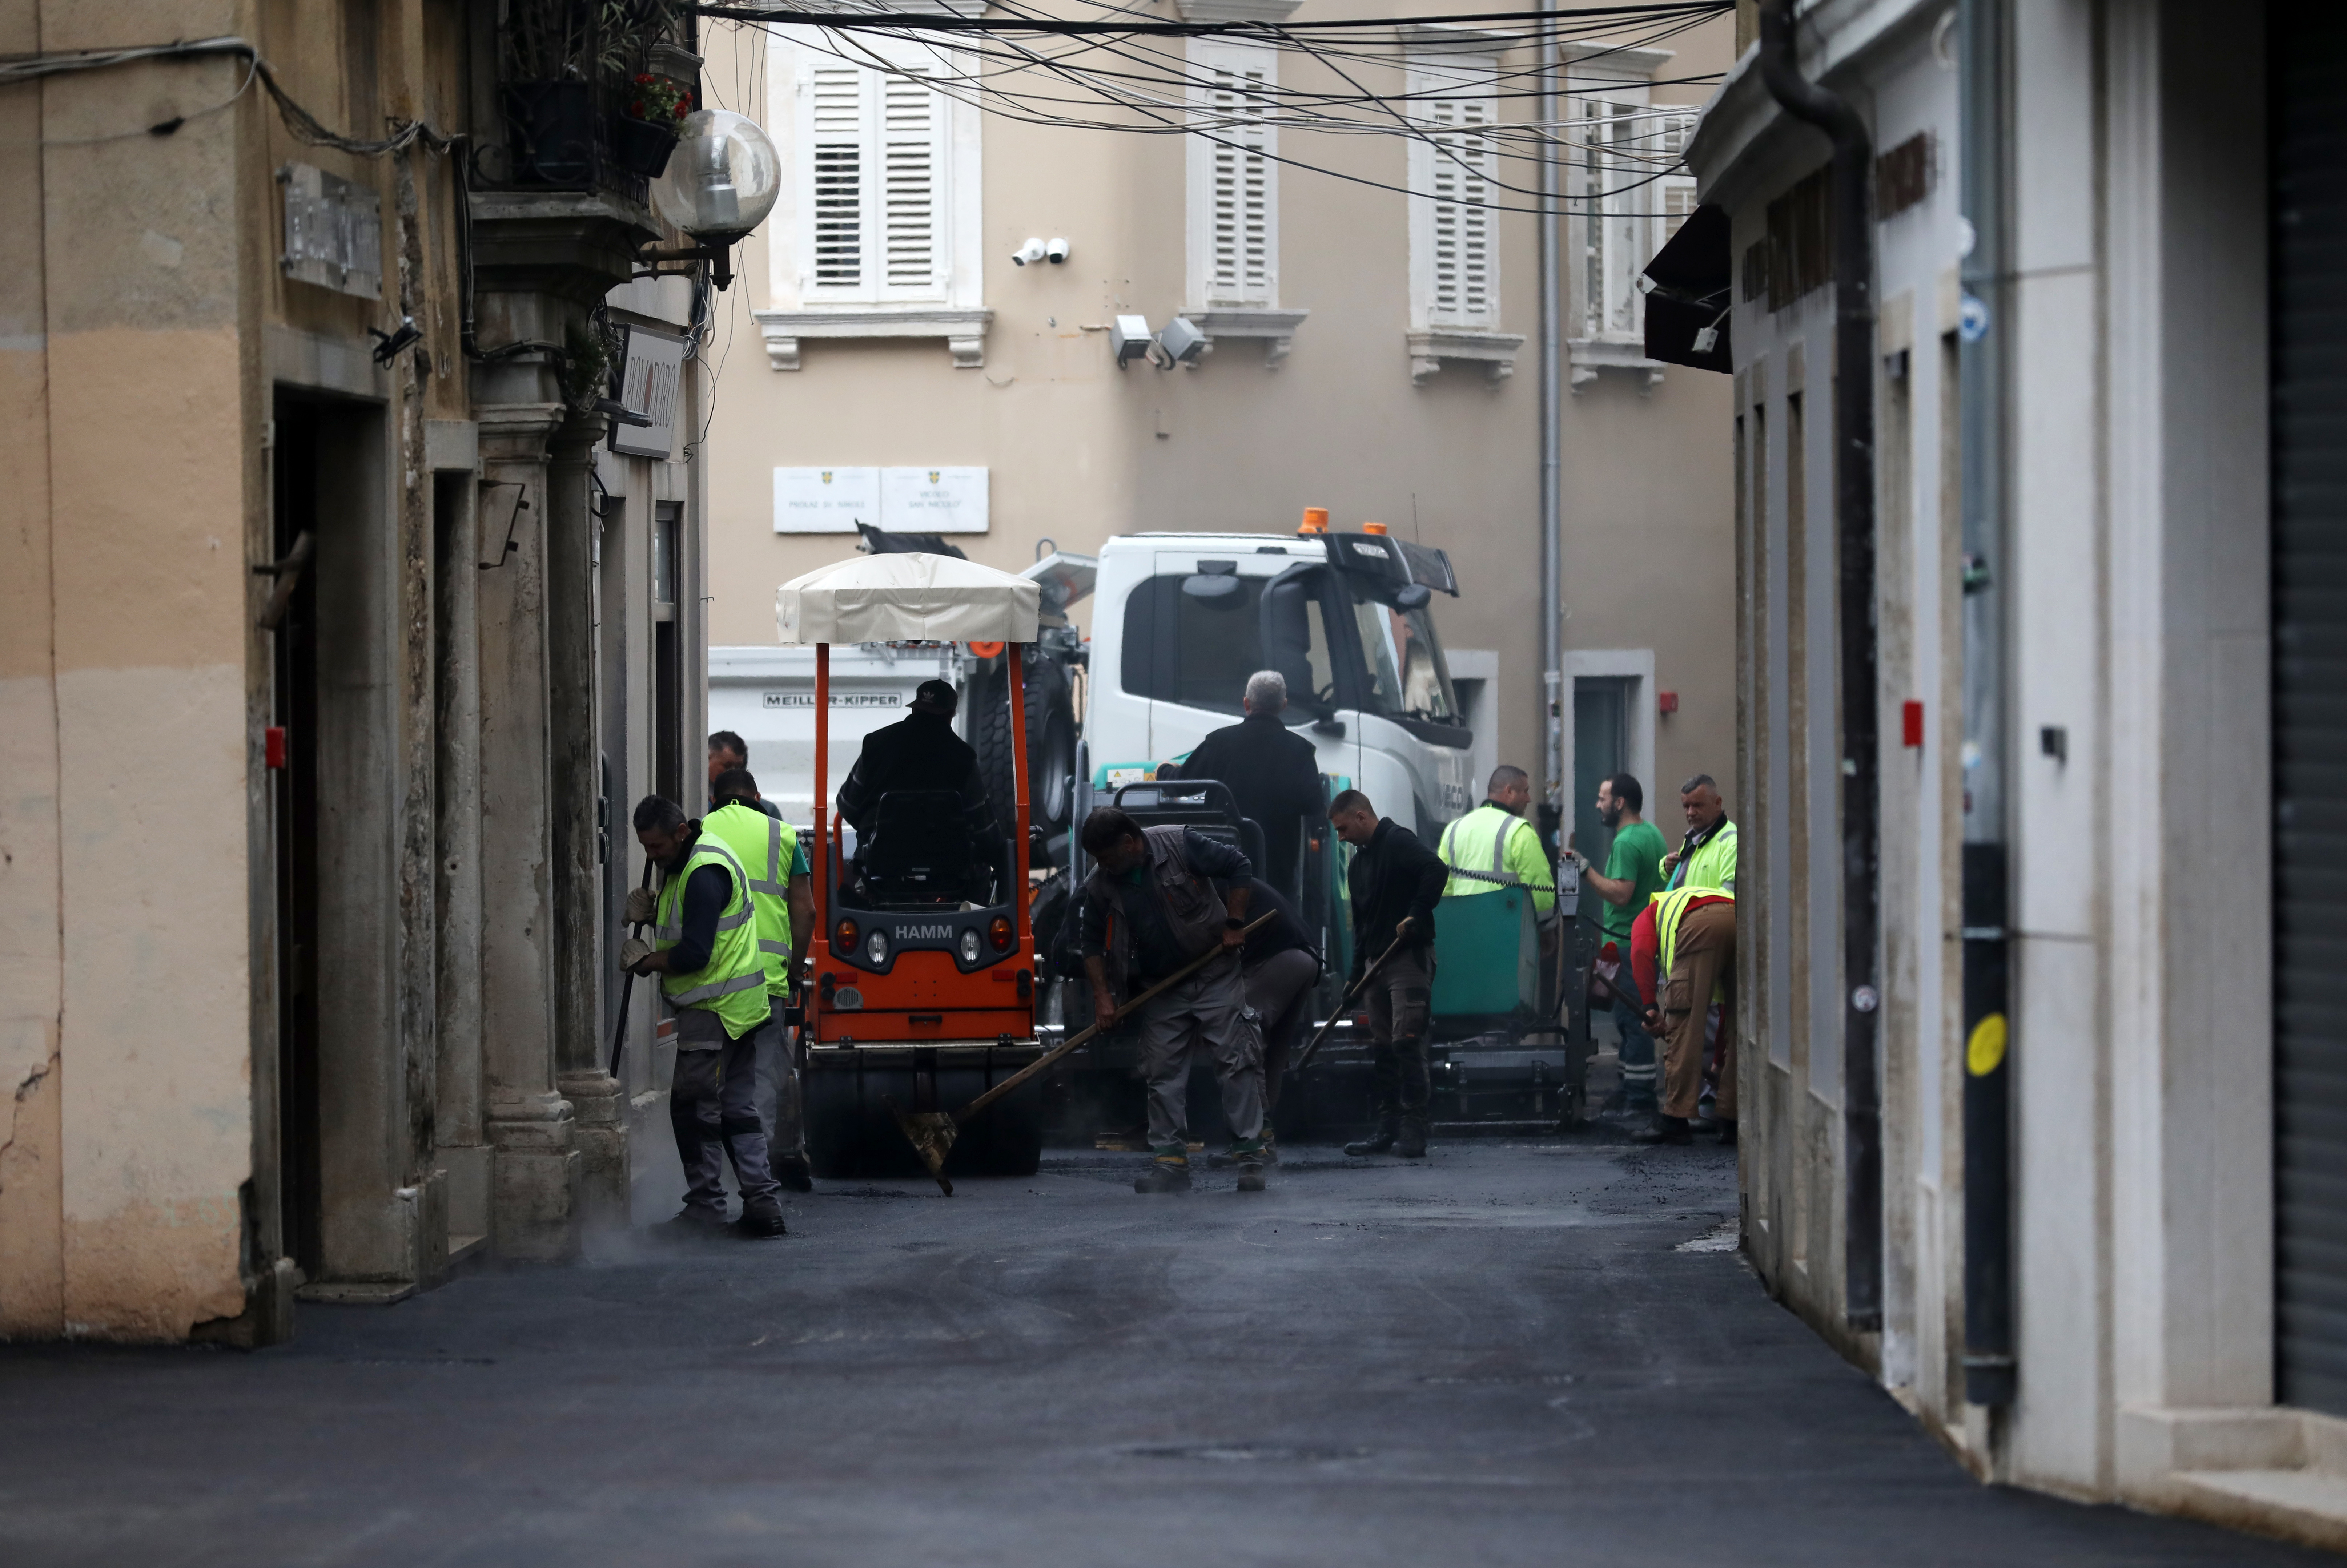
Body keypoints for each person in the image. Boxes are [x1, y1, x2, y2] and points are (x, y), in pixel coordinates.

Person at [1073, 806, 1269, 1193]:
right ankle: (1171, 1165)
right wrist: (1103, 998)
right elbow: (1090, 943)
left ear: (1129, 843)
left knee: (1236, 1062)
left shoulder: (1181, 843)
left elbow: (1239, 866)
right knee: (1161, 1071)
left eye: (1106, 857)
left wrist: (1234, 922)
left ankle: (1249, 1156)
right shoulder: (1100, 884)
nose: (1101, 865)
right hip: (1161, 986)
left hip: (1215, 974)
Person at [619, 796, 787, 1237]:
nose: (651, 855)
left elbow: (695, 952)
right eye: (645, 847)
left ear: (680, 833)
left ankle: (706, 1206)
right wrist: (652, 911)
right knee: (736, 1109)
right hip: (739, 1008)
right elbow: (692, 920)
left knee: (694, 1110)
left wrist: (645, 961)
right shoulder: (694, 859)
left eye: (656, 846)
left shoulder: (703, 871)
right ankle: (763, 1203)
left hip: (713, 1009)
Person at [700, 768, 817, 1191]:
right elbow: (806, 911)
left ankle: (710, 1180)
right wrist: (795, 967)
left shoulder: (698, 833)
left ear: (714, 799)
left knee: (708, 1080)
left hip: (709, 981)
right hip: (765, 980)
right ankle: (752, 1181)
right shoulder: (783, 835)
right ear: (758, 796)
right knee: (760, 1078)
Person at [1330, 790, 1446, 1160]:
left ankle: (1414, 1129)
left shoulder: (1398, 841)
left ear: (1362, 817)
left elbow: (1436, 869)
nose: (1341, 838)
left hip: (1407, 959)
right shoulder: (1357, 866)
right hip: (1374, 965)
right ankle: (1389, 1127)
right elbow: (1362, 927)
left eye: (1343, 829)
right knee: (1383, 1048)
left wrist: (1415, 913)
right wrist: (1354, 977)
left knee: (1407, 1043)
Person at [1168, 670, 1326, 897]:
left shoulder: (1219, 741)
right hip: (1276, 876)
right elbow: (1314, 806)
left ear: (1246, 703)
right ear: (1284, 706)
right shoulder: (1301, 750)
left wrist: (1165, 770)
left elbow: (1181, 786)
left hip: (1220, 870)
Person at [1565, 774, 1667, 1117]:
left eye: (1603, 798)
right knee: (1628, 1019)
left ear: (1620, 802)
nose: (1598, 805)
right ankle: (1628, 1089)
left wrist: (1584, 870)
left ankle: (1640, 1099)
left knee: (1635, 1021)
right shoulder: (1650, 833)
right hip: (1639, 941)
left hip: (1628, 943)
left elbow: (1622, 895)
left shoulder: (1626, 842)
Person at [835, 679, 998, 888]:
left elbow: (847, 805)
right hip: (950, 868)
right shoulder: (964, 757)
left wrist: (874, 831)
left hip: (881, 864)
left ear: (914, 709)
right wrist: (998, 854)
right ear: (951, 715)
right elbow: (983, 825)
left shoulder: (875, 744)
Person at [1621, 880, 1737, 1146]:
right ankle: (1732, 1119)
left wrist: (1650, 1007)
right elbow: (1725, 1013)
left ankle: (1676, 1118)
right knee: (1740, 1023)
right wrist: (1719, 1059)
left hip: (1700, 926)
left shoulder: (1650, 913)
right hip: (1740, 918)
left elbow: (1640, 952)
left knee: (1685, 1024)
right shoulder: (1694, 898)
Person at [1237, 876, 1321, 1153]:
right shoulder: (1233, 880)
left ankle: (1257, 1142)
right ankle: (1265, 1140)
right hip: (1306, 958)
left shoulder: (1207, 887)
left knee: (1244, 1046)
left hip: (1276, 958)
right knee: (1273, 1052)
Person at [1437, 765, 1556, 918]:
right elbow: (1540, 893)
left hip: (1463, 927)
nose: (1529, 799)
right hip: (1506, 928)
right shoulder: (1519, 831)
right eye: (1525, 791)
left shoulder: (1453, 830)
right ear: (1509, 791)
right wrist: (1547, 922)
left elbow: (1443, 889)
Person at [1662, 774, 1739, 893]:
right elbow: (1684, 879)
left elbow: (1729, 896)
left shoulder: (1732, 843)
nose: (1691, 813)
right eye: (1686, 807)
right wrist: (1666, 867)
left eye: (1698, 805)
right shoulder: (1694, 837)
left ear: (1718, 803)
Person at [707, 731, 784, 822]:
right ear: (706, 760)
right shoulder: (695, 805)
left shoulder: (768, 810)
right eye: (727, 766)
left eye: (740, 767)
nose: (734, 772)